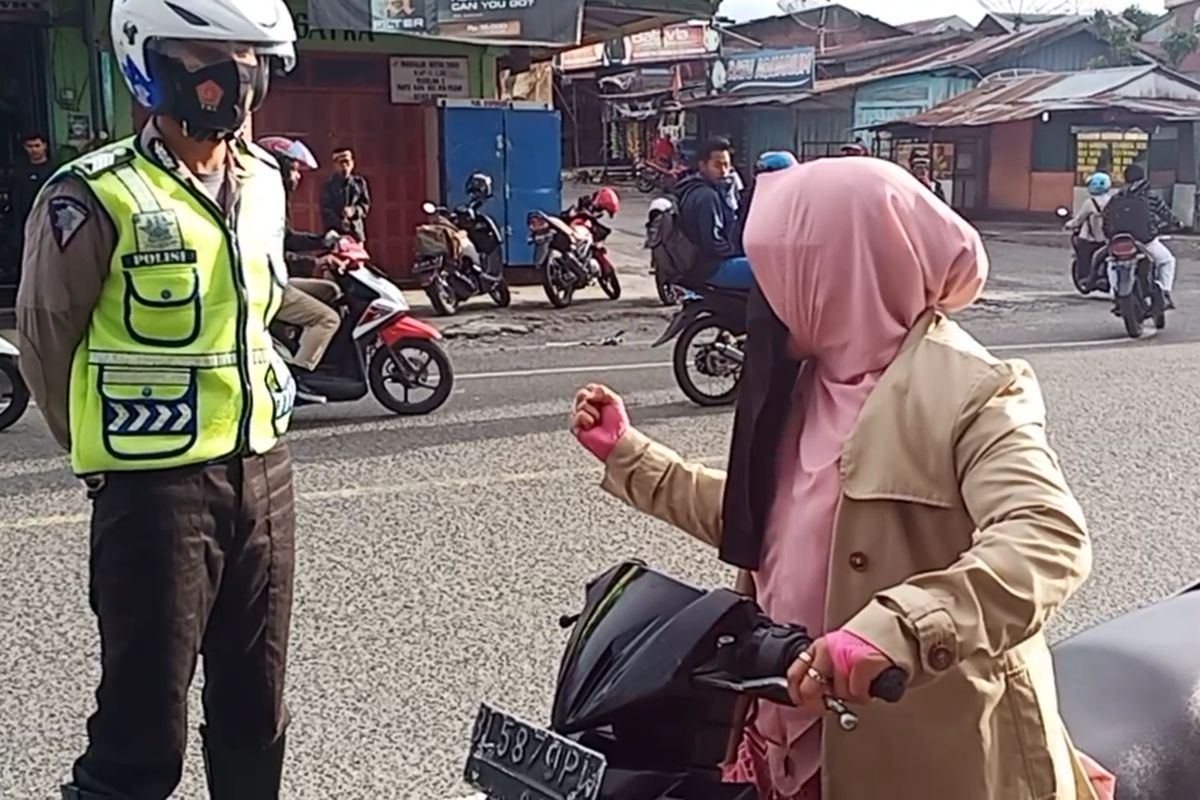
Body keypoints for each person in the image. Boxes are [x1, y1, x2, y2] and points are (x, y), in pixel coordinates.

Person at [571, 158, 1109, 799]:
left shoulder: (977, 393)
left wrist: (898, 630)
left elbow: (1044, 540)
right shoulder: (802, 382)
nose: (768, 292)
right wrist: (629, 455)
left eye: (786, 269)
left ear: (848, 270)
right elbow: (764, 523)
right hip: (781, 733)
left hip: (928, 756)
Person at [16, 1, 300, 797]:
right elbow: (47, 342)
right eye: (207, 56)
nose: (233, 75)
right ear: (150, 62)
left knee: (256, 708)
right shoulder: (92, 196)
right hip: (155, 493)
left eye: (248, 57)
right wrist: (111, 453)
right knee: (143, 733)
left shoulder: (267, 181)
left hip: (265, 477)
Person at [258, 135, 343, 386]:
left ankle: (303, 347)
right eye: (293, 170)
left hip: (275, 279)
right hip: (266, 284)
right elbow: (272, 255)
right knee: (328, 319)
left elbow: (287, 239)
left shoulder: (273, 198)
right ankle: (301, 377)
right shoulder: (261, 203)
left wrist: (323, 240)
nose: (298, 177)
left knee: (331, 291)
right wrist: (312, 264)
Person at [674, 137, 752, 290]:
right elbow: (713, 243)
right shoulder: (706, 197)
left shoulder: (715, 190)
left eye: (726, 165)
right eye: (717, 165)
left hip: (707, 264)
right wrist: (737, 252)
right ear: (703, 166)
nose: (723, 171)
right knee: (766, 274)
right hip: (711, 267)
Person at [1104, 163, 1179, 309]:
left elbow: (1106, 218)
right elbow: (1166, 214)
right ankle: (1165, 292)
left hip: (1119, 240)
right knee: (1167, 261)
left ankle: (1115, 294)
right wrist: (1177, 223)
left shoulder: (1117, 197)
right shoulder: (1150, 196)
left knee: (1112, 263)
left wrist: (1109, 237)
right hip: (1145, 240)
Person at [10, 132, 55, 267]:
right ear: (25, 147)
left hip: (49, 221)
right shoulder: (19, 173)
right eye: (30, 146)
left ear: (44, 146)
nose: (34, 150)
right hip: (26, 221)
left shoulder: (54, 170)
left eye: (37, 145)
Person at [1065, 172, 1113, 290]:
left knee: (1083, 255)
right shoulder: (1113, 200)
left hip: (1093, 239)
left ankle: (1085, 277)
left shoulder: (1090, 203)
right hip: (1110, 238)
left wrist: (1068, 225)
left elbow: (1078, 220)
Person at [320, 146, 371, 243]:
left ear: (352, 163)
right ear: (335, 165)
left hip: (356, 233)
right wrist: (340, 223)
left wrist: (353, 211)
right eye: (341, 163)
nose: (344, 166)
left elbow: (365, 205)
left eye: (347, 162)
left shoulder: (359, 183)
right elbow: (326, 210)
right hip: (335, 234)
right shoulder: (328, 186)